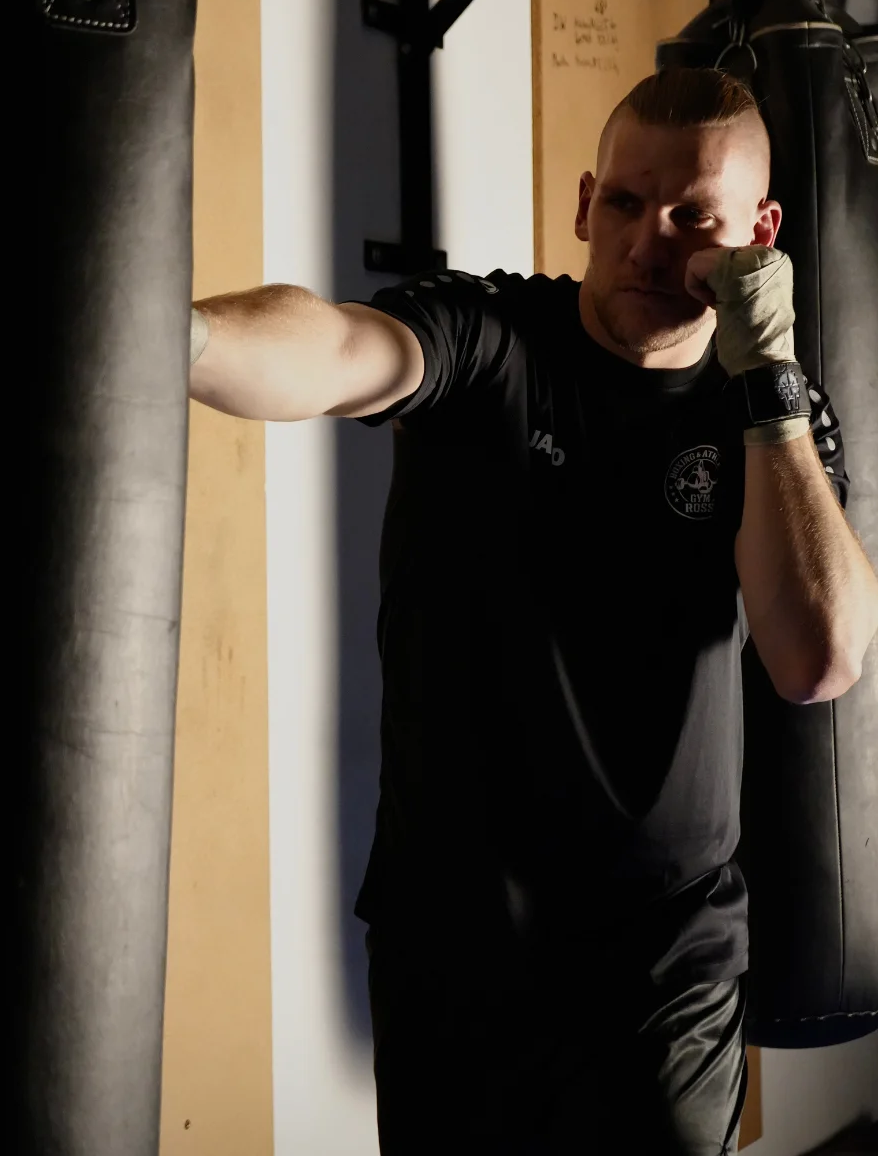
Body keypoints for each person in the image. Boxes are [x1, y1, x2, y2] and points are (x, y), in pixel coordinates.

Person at [188, 67, 878, 1155]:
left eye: (694, 214)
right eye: (624, 204)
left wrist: (772, 380)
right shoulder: (489, 338)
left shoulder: (768, 417)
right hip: (454, 945)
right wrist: (173, 339)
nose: (652, 240)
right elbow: (332, 347)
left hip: (667, 965)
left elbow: (819, 659)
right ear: (583, 205)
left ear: (762, 232)